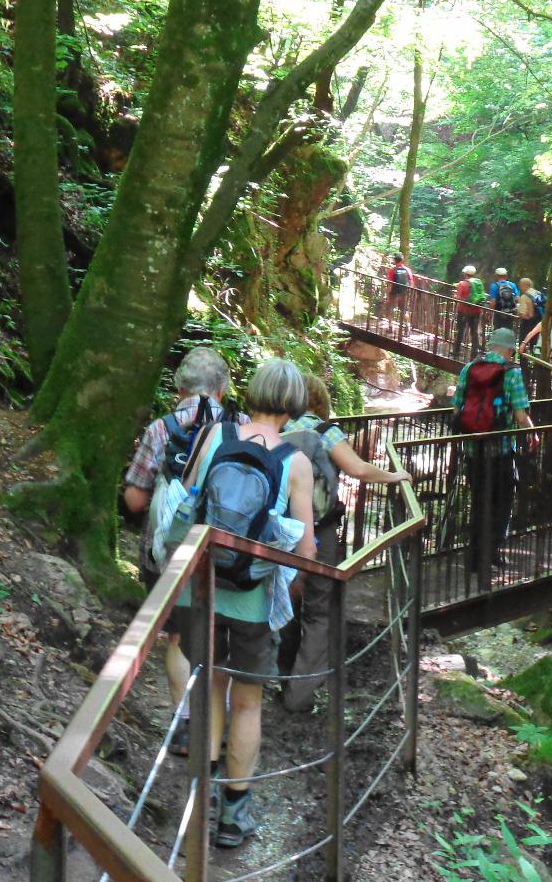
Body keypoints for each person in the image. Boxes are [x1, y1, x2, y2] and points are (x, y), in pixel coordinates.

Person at [195, 358, 316, 849]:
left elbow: (189, 504)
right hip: (253, 598)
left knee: (210, 686)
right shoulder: (296, 461)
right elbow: (306, 549)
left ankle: (198, 798)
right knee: (247, 703)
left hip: (202, 586)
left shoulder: (214, 439)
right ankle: (232, 818)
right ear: (294, 406)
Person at [121, 347, 241, 756]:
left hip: (169, 550)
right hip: (228, 550)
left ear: (179, 387)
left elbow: (136, 502)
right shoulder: (241, 426)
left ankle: (187, 725)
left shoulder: (161, 428)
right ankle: (220, 726)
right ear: (223, 388)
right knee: (220, 635)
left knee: (177, 637)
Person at [279, 374, 412, 713]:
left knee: (284, 601)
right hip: (319, 530)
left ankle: (282, 678)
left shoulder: (277, 427)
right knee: (320, 609)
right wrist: (394, 476)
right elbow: (358, 470)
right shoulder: (326, 432)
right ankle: (300, 695)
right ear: (320, 401)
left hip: (279, 531)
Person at [451, 326, 534, 581]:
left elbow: (457, 408)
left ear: (490, 345)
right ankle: (493, 553)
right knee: (502, 502)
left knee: (479, 502)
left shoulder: (469, 368)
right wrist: (533, 432)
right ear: (510, 350)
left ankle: (474, 557)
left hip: (473, 450)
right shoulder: (512, 373)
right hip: (500, 450)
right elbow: (520, 414)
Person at [453, 264, 484, 357]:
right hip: (476, 311)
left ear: (465, 273)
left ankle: (456, 352)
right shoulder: (478, 283)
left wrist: (455, 297)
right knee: (474, 332)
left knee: (460, 331)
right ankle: (474, 354)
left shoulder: (463, 284)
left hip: (464, 311)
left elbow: (458, 298)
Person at [515, 277, 543, 348]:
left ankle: (523, 358)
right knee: (534, 344)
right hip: (539, 323)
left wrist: (518, 313)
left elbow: (523, 313)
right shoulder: (539, 293)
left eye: (520, 286)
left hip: (527, 324)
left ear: (524, 285)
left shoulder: (524, 296)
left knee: (524, 342)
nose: (520, 288)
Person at [385, 253, 412, 324]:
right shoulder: (407, 270)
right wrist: (409, 291)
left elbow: (390, 283)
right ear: (402, 260)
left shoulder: (392, 270)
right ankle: (407, 327)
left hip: (394, 292)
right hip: (404, 292)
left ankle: (390, 327)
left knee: (391, 308)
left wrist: (388, 293)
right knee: (404, 310)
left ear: (395, 260)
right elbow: (411, 282)